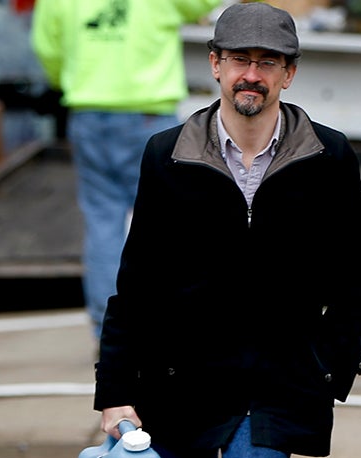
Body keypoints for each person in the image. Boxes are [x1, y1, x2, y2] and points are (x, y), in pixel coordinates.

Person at [94, 3, 361, 458]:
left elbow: (359, 274)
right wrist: (116, 391)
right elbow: (135, 284)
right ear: (215, 65)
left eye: (268, 63)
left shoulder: (328, 156)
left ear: (287, 74)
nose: (251, 74)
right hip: (184, 380)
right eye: (240, 60)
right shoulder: (168, 156)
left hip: (279, 382)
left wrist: (330, 365)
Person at [30, 0, 220, 336]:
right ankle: (169, 322)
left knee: (103, 220)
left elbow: (47, 47)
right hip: (149, 113)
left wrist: (69, 77)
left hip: (88, 109)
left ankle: (109, 329)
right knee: (166, 223)